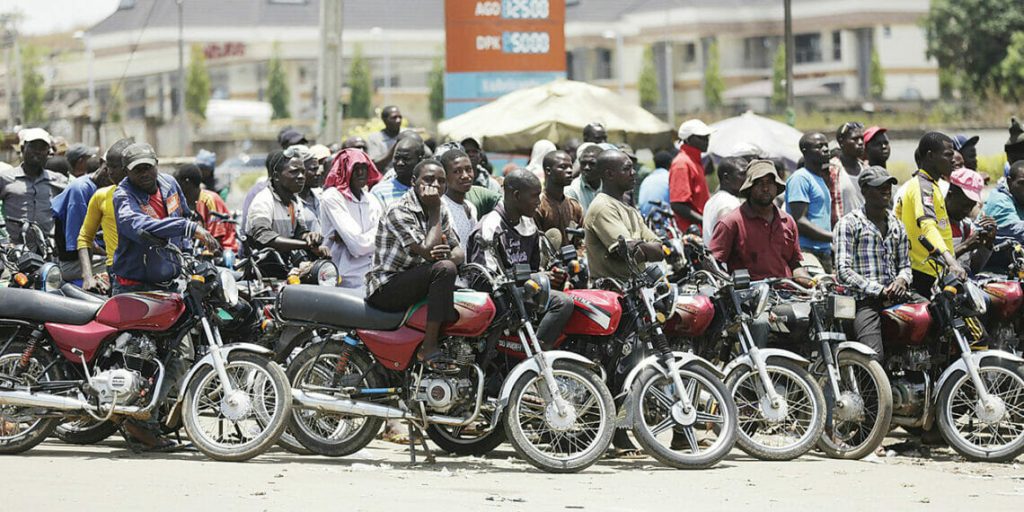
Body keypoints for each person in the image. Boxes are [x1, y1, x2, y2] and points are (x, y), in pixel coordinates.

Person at [365, 159, 464, 369]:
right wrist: (435, 210)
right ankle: (428, 348)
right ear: (413, 181)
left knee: (453, 275)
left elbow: (459, 251)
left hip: (418, 280)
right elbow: (427, 251)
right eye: (429, 180)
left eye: (441, 181)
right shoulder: (399, 210)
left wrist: (448, 255)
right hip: (387, 287)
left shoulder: (441, 207)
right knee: (445, 269)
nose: (436, 185)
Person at [467, 169, 574, 350]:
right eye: (534, 196)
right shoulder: (490, 227)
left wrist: (550, 276)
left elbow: (534, 268)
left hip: (523, 292)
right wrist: (531, 280)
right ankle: (534, 353)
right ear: (516, 195)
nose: (538, 202)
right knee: (562, 303)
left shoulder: (528, 223)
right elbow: (483, 280)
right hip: (498, 298)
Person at [111, 143, 219, 294]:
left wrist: (187, 252)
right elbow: (136, 226)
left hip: (170, 283)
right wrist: (187, 228)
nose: (144, 173)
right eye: (137, 170)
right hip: (134, 287)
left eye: (148, 167)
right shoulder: (123, 196)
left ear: (156, 164)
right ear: (125, 172)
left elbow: (184, 215)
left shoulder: (170, 184)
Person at [833, 166, 912, 359]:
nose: (886, 190)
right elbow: (843, 271)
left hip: (897, 296)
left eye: (888, 186)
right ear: (865, 191)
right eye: (879, 187)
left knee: (934, 319)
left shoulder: (897, 224)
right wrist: (879, 290)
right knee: (873, 356)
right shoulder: (849, 223)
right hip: (864, 301)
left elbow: (905, 266)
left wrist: (902, 280)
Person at [894, 132, 965, 297]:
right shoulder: (922, 187)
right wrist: (951, 261)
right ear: (931, 156)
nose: (953, 159)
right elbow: (927, 226)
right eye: (947, 155)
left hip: (936, 270)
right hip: (923, 272)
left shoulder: (933, 185)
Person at [710, 160, 805, 281]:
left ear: (776, 187)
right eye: (759, 183)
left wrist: (811, 282)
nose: (765, 188)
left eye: (770, 183)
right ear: (749, 188)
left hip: (787, 293)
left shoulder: (788, 221)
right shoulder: (731, 222)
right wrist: (732, 283)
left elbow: (795, 264)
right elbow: (713, 265)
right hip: (750, 296)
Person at [584, 149, 666, 281]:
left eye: (632, 168)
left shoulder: (630, 210)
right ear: (609, 174)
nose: (633, 173)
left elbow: (660, 250)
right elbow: (628, 253)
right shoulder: (603, 207)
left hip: (636, 289)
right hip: (612, 292)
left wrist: (638, 246)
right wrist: (643, 247)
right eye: (627, 169)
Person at [319, 148, 384, 289]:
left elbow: (385, 238)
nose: (360, 173)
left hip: (373, 274)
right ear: (344, 170)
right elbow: (358, 247)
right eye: (355, 168)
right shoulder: (333, 197)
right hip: (344, 279)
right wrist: (377, 237)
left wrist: (358, 239)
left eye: (363, 168)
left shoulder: (372, 199)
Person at [50, 144, 115, 285]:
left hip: (96, 256)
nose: (111, 176)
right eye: (109, 169)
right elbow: (82, 241)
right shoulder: (80, 190)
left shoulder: (109, 189)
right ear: (101, 164)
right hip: (74, 263)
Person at [246, 149, 327, 259]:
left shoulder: (294, 201)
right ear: (276, 176)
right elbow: (263, 235)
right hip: (263, 270)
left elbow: (299, 231)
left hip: (286, 267)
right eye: (294, 172)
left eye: (303, 172)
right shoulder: (263, 200)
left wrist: (309, 237)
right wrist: (306, 245)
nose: (301, 176)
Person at [78, 138, 134, 293]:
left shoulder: (153, 195)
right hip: (118, 275)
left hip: (153, 276)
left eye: (115, 167)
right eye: (108, 166)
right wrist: (88, 277)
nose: (109, 172)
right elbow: (84, 238)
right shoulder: (101, 196)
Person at [0, 128, 68, 249]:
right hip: (13, 250)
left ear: (48, 153)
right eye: (32, 147)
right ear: (22, 149)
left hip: (47, 250)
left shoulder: (59, 181)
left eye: (42, 148)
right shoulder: (5, 178)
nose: (37, 152)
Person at [787, 133, 835, 273]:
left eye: (826, 145)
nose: (826, 149)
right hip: (806, 251)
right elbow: (800, 221)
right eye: (819, 146)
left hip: (823, 251)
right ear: (804, 151)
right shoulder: (800, 178)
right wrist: (834, 236)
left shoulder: (819, 179)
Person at [175, 164, 239, 252]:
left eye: (177, 182)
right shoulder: (184, 203)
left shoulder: (209, 200)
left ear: (187, 183)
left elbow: (215, 239)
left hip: (223, 252)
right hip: (201, 251)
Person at [669, 119, 714, 234]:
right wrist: (704, 221)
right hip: (689, 234)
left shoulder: (694, 161)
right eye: (701, 137)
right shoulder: (682, 164)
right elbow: (677, 204)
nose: (706, 141)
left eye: (707, 137)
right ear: (688, 139)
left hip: (699, 230)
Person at [946, 168, 994, 273]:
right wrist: (966, 245)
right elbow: (931, 265)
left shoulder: (966, 225)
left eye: (971, 206)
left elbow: (972, 268)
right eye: (964, 205)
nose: (967, 210)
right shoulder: (933, 222)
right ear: (950, 195)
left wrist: (986, 244)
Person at [533, 150, 584, 246]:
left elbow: (580, 242)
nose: (569, 171)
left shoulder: (574, 206)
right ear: (548, 171)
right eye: (563, 167)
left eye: (570, 167)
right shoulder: (537, 206)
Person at [437, 146, 478, 252]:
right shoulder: (441, 207)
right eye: (457, 171)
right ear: (445, 176)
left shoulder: (471, 207)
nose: (465, 176)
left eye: (468, 169)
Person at [702, 157, 748, 247]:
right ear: (726, 178)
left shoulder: (712, 201)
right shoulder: (728, 202)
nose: (747, 179)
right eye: (742, 174)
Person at [371, 137, 423, 210]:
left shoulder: (426, 189)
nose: (400, 163)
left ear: (419, 160)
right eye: (396, 158)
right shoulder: (379, 192)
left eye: (406, 159)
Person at [831, 121, 867, 216]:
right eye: (855, 139)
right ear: (841, 142)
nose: (860, 143)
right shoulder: (831, 170)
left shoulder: (866, 170)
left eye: (862, 139)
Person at [566, 143, 603, 214]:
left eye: (592, 164)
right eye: (583, 163)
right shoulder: (572, 191)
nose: (586, 167)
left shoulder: (609, 187)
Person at [367, 105, 405, 170]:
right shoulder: (375, 138)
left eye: (400, 117)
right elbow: (375, 165)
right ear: (384, 120)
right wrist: (395, 147)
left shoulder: (406, 135)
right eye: (394, 117)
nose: (398, 120)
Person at [637, 150, 674, 217]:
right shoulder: (669, 177)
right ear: (670, 163)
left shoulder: (646, 179)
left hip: (645, 221)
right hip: (663, 223)